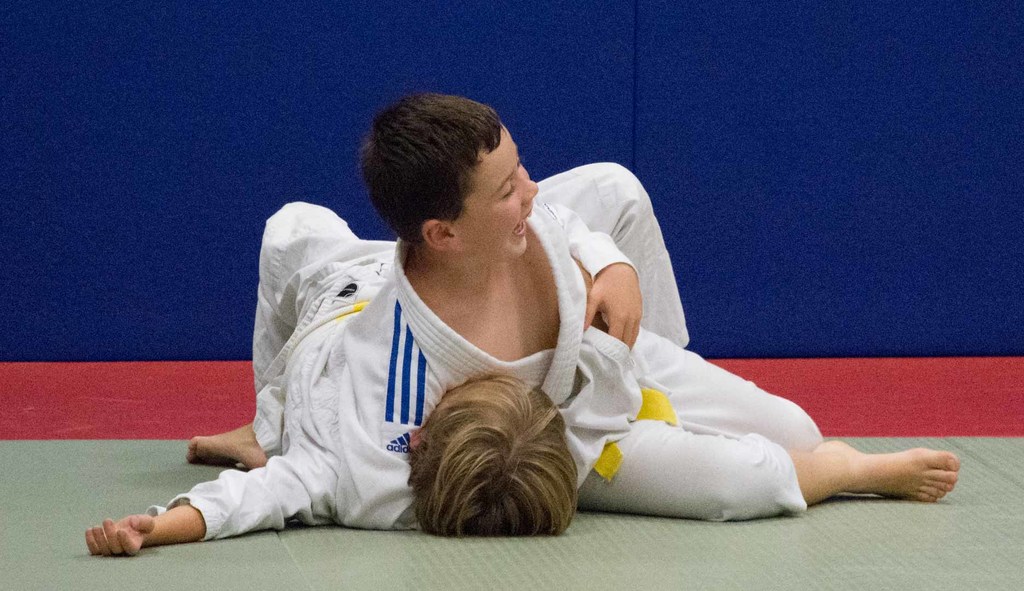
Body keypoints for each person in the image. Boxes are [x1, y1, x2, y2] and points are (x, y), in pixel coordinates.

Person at [87, 93, 960, 556]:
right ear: (442, 232)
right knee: (291, 231)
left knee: (618, 191)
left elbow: (563, 216)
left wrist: (611, 266)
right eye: (508, 187)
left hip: (604, 350)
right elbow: (278, 494)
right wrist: (171, 518)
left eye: (521, 168)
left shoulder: (512, 224)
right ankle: (266, 420)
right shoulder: (381, 417)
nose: (531, 190)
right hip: (561, 435)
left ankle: (672, 385)